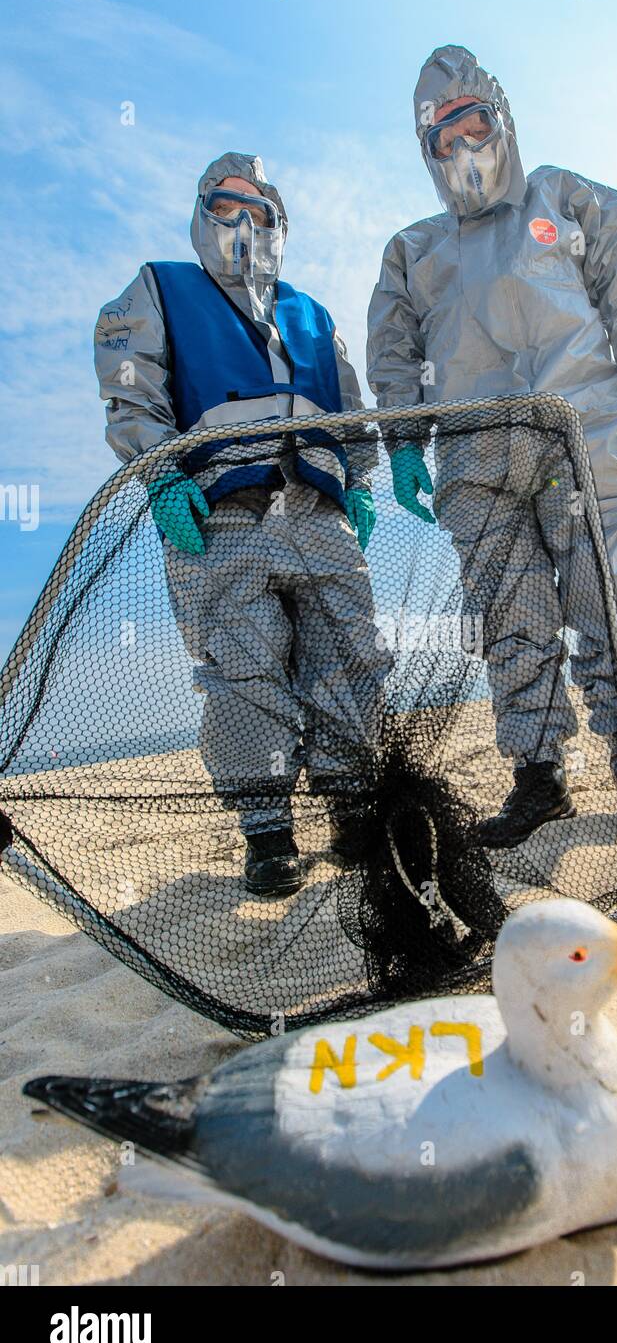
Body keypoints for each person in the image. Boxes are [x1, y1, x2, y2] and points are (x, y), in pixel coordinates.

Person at [367, 45, 617, 847]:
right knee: (510, 614)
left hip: (577, 427)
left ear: (501, 120)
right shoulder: (412, 251)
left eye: (471, 124)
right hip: (475, 451)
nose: (460, 148)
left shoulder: (564, 197)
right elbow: (392, 352)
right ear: (426, 152)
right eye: (440, 138)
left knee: (607, 585)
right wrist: (405, 440)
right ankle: (537, 776)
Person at [95, 152, 388, 897]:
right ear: (202, 212)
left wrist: (358, 478)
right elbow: (130, 388)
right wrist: (160, 472)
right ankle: (268, 834)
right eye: (225, 207)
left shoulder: (310, 312)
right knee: (243, 669)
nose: (242, 222)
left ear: (278, 222)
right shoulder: (162, 287)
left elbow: (348, 408)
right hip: (221, 514)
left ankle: (355, 810)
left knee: (349, 654)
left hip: (319, 511)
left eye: (257, 209)